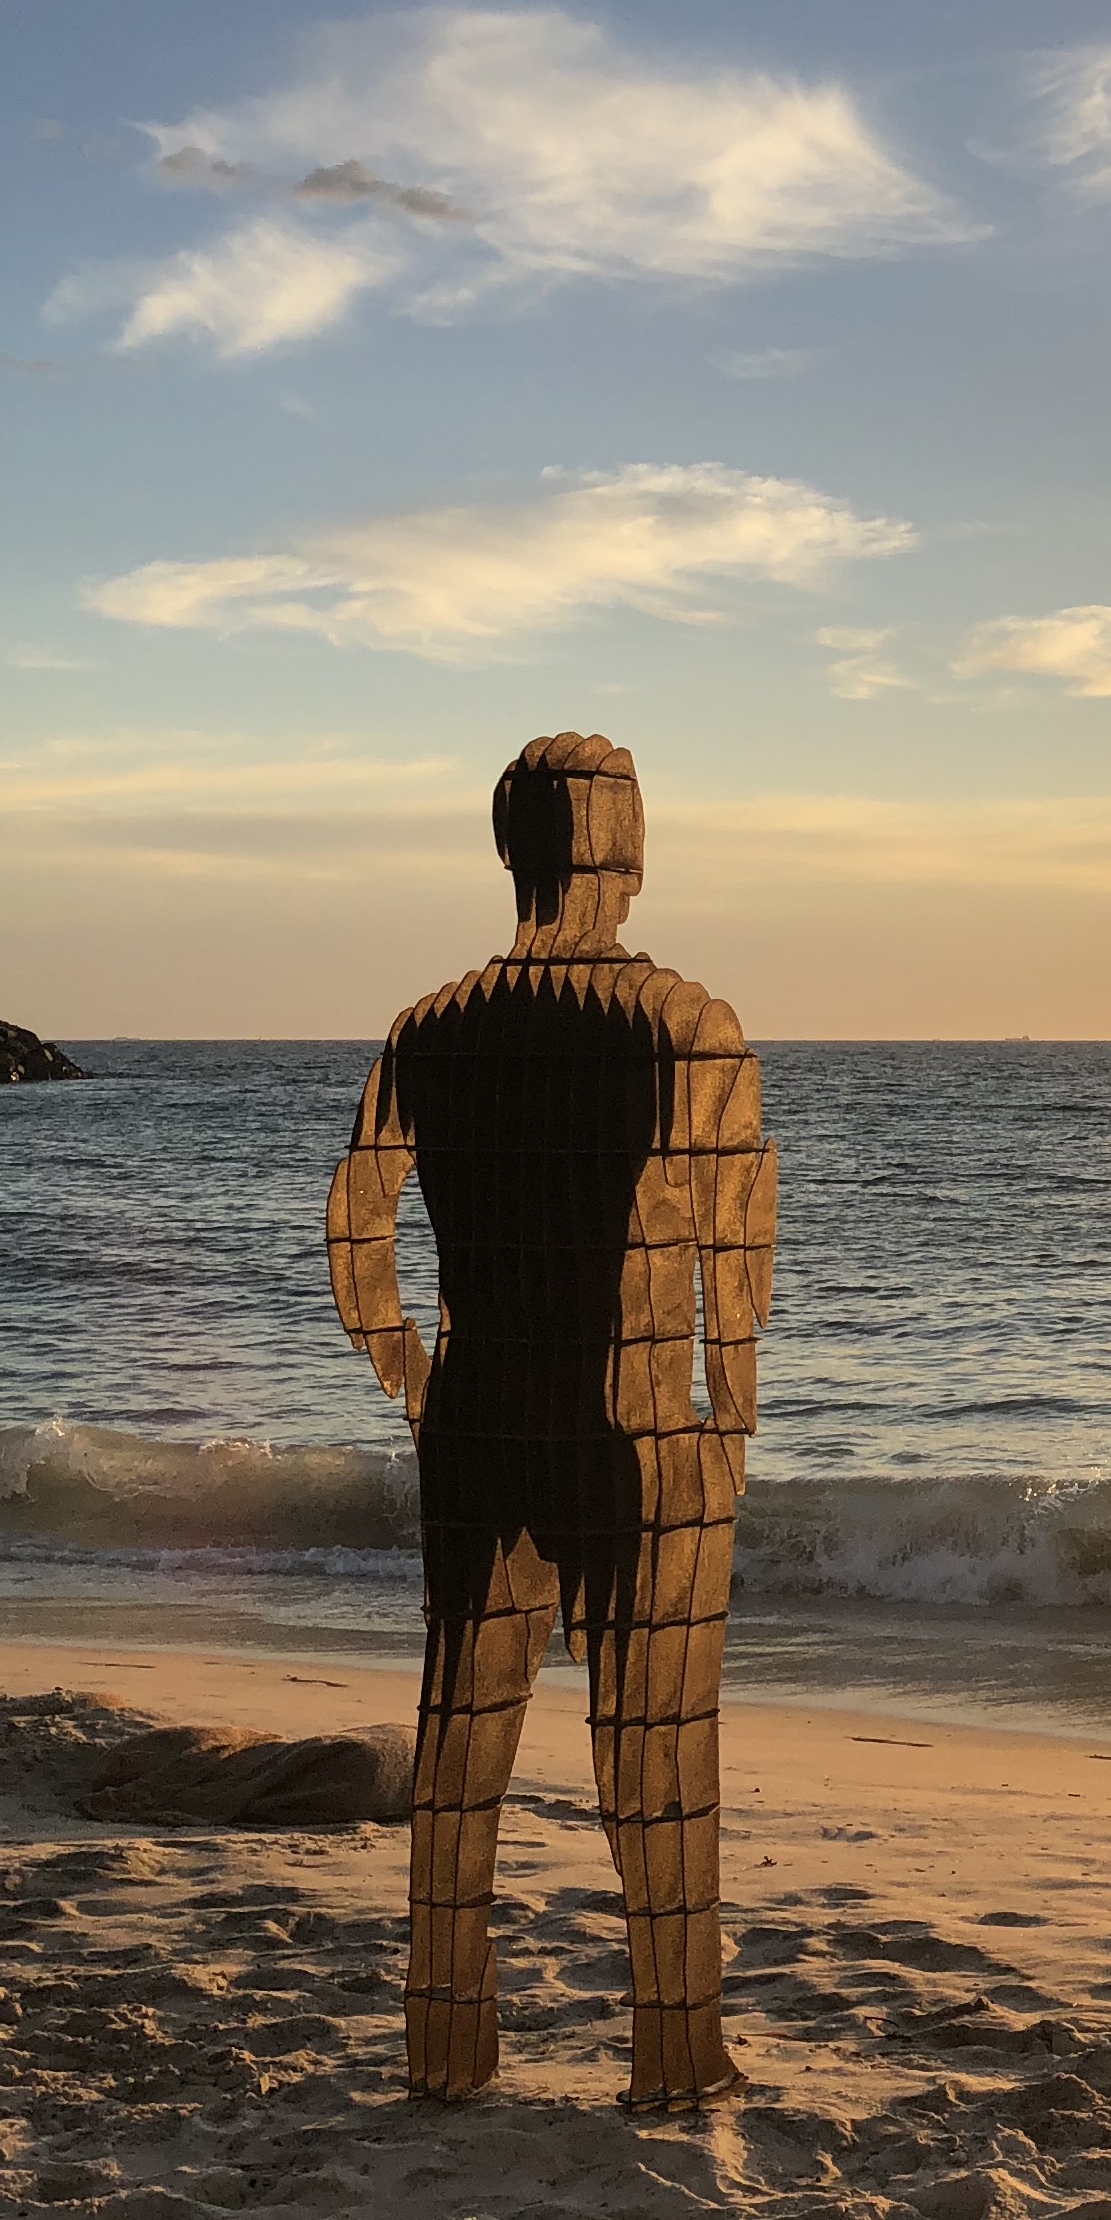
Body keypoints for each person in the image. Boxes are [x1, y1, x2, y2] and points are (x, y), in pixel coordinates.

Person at [328, 733, 774, 2107]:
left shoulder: (431, 1031)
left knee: (460, 1748)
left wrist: (417, 1380)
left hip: (480, 1427)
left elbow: (357, 1241)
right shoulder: (687, 1025)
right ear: (628, 848)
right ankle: (673, 2051)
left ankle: (446, 2048)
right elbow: (736, 1265)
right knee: (658, 1764)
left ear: (510, 846)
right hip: (634, 1437)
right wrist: (728, 1422)